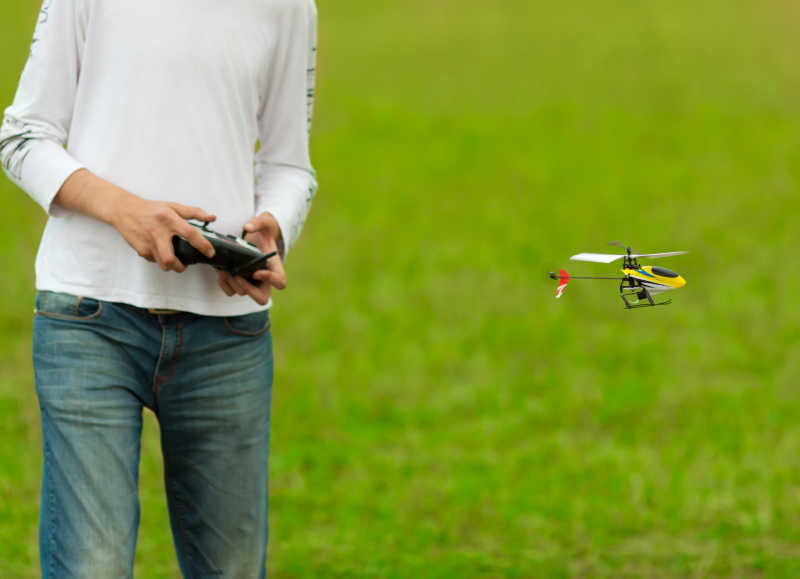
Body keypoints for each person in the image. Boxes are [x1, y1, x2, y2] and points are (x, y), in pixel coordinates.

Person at [0, 0, 318, 576]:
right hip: (87, 321)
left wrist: (271, 225)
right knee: (89, 566)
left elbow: (290, 164)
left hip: (226, 336)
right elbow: (23, 137)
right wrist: (127, 213)